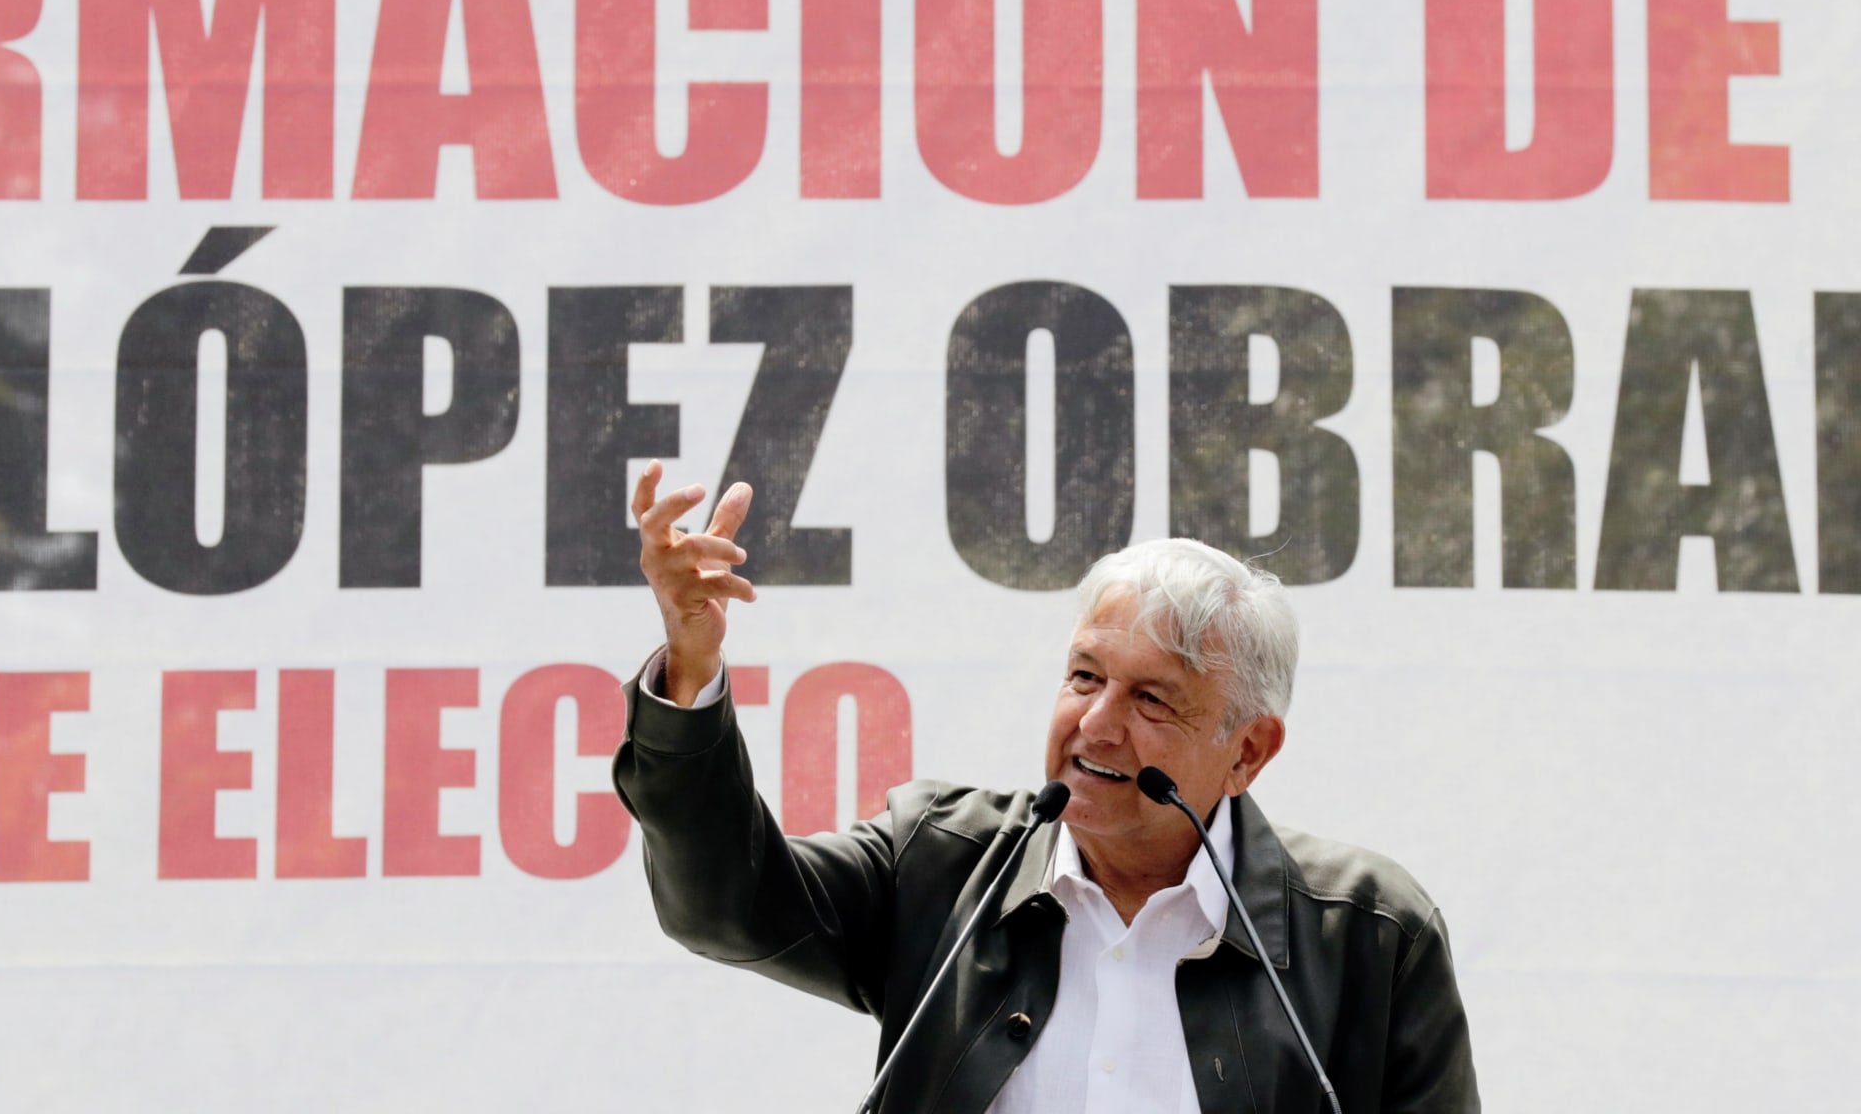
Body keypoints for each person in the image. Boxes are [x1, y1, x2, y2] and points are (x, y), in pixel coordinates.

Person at [612, 463, 1480, 1113]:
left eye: (1151, 699)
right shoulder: (941, 867)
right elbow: (722, 905)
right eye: (1083, 676)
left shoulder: (1370, 936)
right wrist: (691, 667)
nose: (1097, 725)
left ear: (1248, 750)